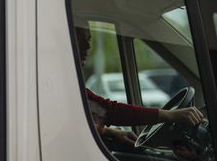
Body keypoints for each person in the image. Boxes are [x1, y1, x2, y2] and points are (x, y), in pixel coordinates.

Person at [75, 25, 203, 146]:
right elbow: (107, 110)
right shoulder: (68, 88)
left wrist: (110, 132)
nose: (87, 46)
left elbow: (83, 121)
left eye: (88, 39)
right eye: (80, 38)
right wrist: (169, 115)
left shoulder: (73, 85)